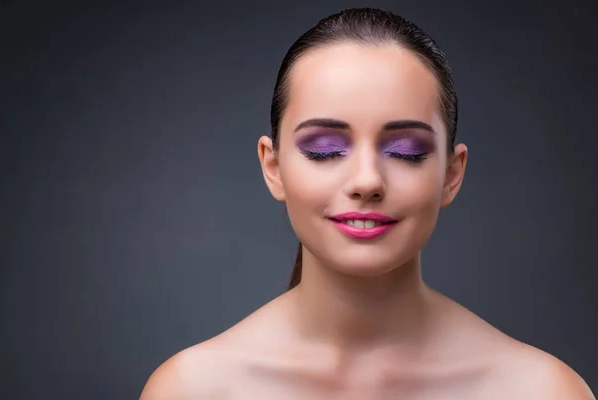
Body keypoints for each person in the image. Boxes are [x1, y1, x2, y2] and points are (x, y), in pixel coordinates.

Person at [140, 8, 594, 399]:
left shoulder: (540, 390)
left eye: (406, 152)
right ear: (273, 167)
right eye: (323, 149)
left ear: (451, 175)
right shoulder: (194, 389)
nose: (366, 181)